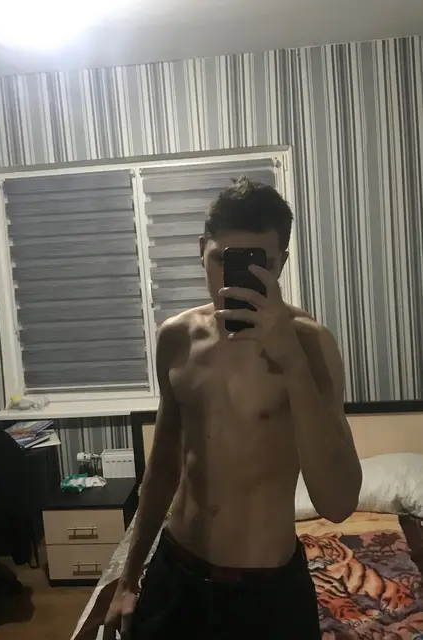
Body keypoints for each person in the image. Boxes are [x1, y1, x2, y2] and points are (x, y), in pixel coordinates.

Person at [104, 176, 362, 639]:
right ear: (201, 250)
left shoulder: (312, 345)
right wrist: (128, 578)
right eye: (221, 259)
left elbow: (338, 503)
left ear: (280, 263)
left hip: (266, 593)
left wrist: (291, 362)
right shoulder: (176, 338)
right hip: (177, 574)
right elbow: (163, 467)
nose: (231, 277)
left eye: (256, 262)